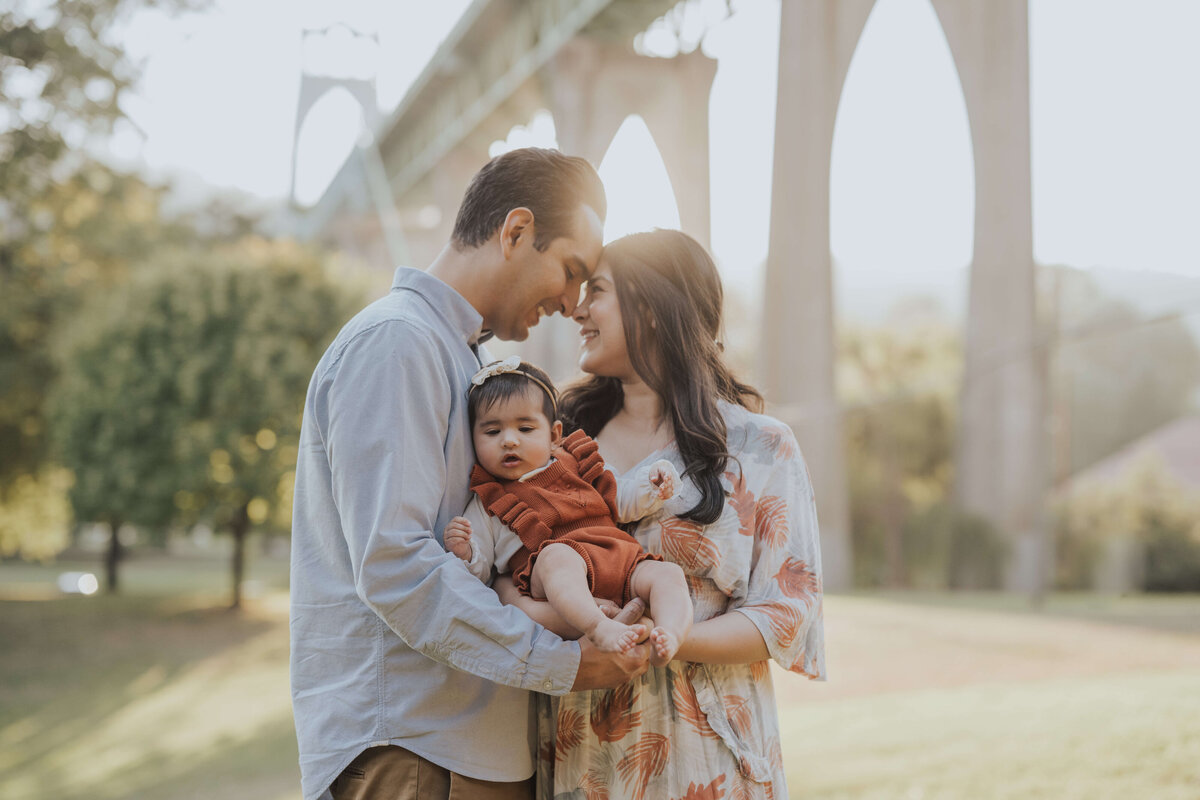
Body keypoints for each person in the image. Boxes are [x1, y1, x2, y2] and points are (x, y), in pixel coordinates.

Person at [289, 148, 651, 800]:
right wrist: (562, 662)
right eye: (569, 271)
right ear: (514, 232)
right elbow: (395, 564)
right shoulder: (397, 344)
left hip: (469, 753)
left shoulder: (467, 360)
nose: (572, 302)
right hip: (412, 749)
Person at [497, 229, 827, 800]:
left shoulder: (760, 447)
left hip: (714, 758)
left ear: (650, 308)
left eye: (597, 291)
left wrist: (663, 638)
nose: (577, 309)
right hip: (585, 756)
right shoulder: (555, 441)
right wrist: (535, 612)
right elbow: (502, 559)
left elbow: (786, 612)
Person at [443, 356, 692, 663]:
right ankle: (598, 627)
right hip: (555, 582)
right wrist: (467, 552)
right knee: (557, 557)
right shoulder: (489, 500)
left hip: (617, 557)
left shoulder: (577, 463)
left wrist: (652, 485)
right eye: (492, 432)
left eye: (524, 428)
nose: (509, 441)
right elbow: (483, 569)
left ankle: (670, 634)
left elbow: (620, 499)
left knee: (667, 574)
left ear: (554, 435)